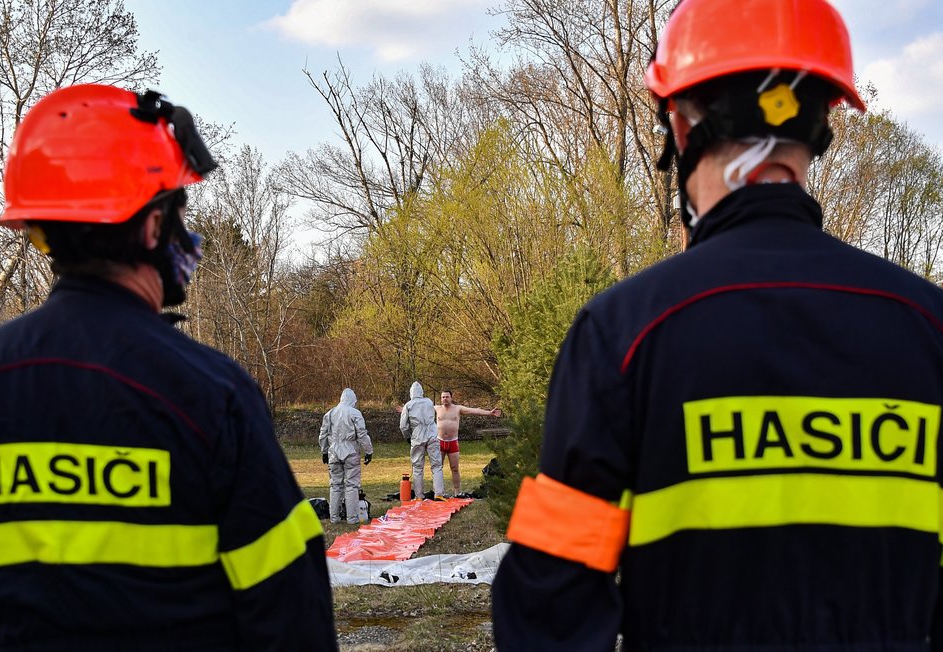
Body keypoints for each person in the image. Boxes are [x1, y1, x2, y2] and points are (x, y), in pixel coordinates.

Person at [492, 0, 943, 649]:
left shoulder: (620, 334)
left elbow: (548, 598)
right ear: (824, 122)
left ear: (679, 126)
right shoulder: (928, 326)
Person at [0, 84, 336, 650]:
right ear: (151, 226)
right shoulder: (213, 394)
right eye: (178, 212)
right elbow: (290, 617)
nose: (188, 234)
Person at [319, 387, 373, 524]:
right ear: (352, 400)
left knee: (335, 485)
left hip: (333, 452)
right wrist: (368, 451)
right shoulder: (355, 413)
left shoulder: (330, 414)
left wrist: (324, 451)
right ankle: (352, 518)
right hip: (351, 451)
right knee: (351, 485)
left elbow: (323, 434)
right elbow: (362, 434)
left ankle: (334, 518)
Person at [434, 389, 502, 496]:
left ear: (451, 398)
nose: (445, 399)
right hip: (439, 442)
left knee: (455, 468)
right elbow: (419, 409)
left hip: (453, 443)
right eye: (443, 397)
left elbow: (474, 411)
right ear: (441, 399)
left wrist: (489, 413)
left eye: (447, 397)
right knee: (438, 468)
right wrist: (405, 410)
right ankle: (439, 492)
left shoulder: (458, 408)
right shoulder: (437, 408)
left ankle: (457, 492)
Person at [399, 381, 445, 500]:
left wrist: (408, 437)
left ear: (411, 393)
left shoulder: (408, 405)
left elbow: (403, 426)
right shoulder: (429, 401)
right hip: (432, 433)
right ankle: (438, 493)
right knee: (437, 465)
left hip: (417, 435)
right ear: (422, 392)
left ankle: (419, 496)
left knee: (417, 467)